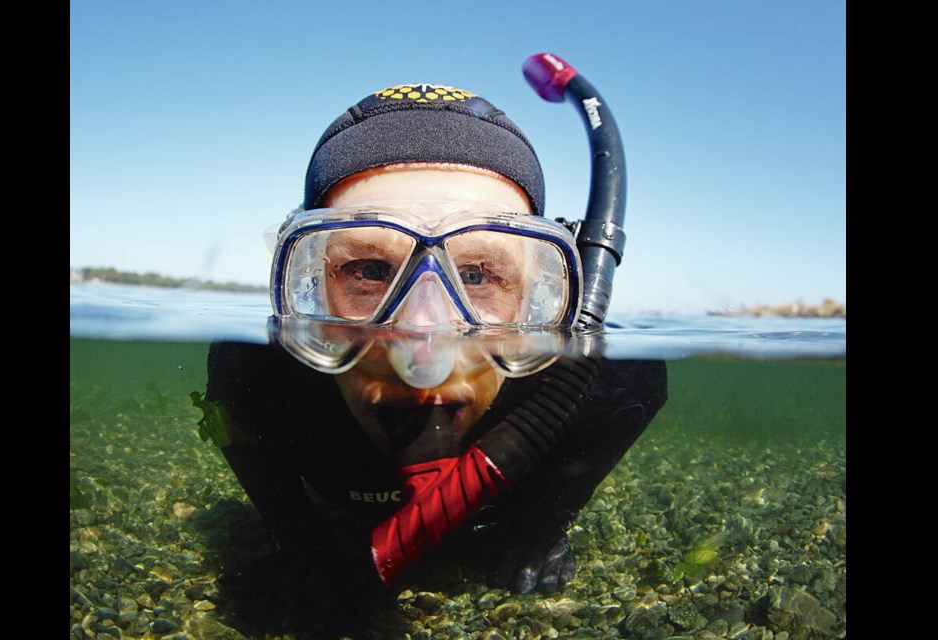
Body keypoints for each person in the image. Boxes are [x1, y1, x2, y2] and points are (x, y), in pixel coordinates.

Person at [202, 73, 667, 635]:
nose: (424, 353)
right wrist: (303, 547)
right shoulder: (255, 377)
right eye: (369, 270)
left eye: (477, 275)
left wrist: (536, 531)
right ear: (308, 286)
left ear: (543, 294)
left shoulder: (612, 382)